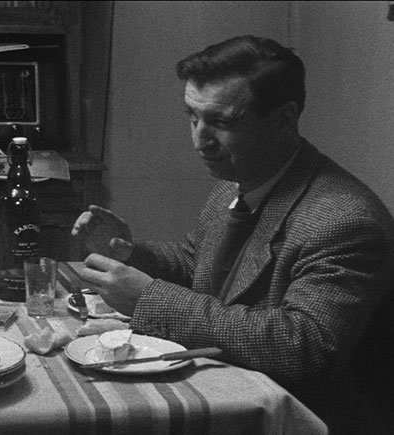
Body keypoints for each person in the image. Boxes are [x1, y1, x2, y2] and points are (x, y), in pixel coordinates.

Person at [72, 35, 394, 433]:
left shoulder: (345, 221)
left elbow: (304, 346)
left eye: (221, 123)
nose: (199, 141)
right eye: (192, 116)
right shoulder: (238, 178)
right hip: (232, 394)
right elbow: (199, 262)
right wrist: (130, 255)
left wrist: (149, 298)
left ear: (285, 119)